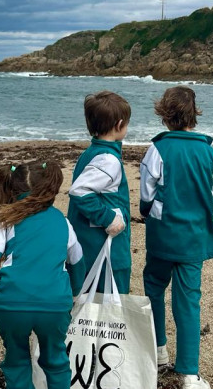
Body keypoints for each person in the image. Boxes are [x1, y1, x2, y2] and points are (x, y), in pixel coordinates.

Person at [0, 161, 85, 389]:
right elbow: (78, 261)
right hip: (55, 305)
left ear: (11, 188)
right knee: (56, 360)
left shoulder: (3, 221)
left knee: (16, 361)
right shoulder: (63, 222)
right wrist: (73, 294)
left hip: (11, 306)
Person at [139, 86, 213, 389]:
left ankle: (159, 348)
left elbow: (147, 195)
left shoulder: (157, 150)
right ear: (194, 115)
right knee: (189, 299)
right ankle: (189, 372)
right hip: (194, 237)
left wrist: (149, 210)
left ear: (165, 116)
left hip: (163, 235)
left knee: (153, 286)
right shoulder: (209, 152)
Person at [68, 90, 132, 293]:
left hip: (87, 243)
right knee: (111, 297)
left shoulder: (90, 153)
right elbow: (79, 191)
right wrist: (109, 218)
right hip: (103, 246)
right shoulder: (108, 159)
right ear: (119, 125)